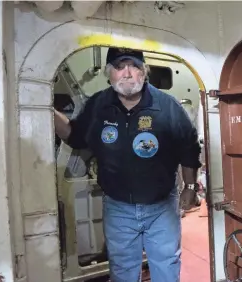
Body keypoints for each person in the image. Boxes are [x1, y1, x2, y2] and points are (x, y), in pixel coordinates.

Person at [54, 47, 202, 282]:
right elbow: (74, 135)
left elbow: (189, 149)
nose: (127, 73)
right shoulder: (98, 106)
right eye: (119, 67)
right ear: (109, 73)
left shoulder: (168, 106)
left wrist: (190, 187)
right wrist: (46, 109)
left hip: (162, 207)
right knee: (122, 270)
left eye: (134, 66)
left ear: (144, 72)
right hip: (118, 207)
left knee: (167, 265)